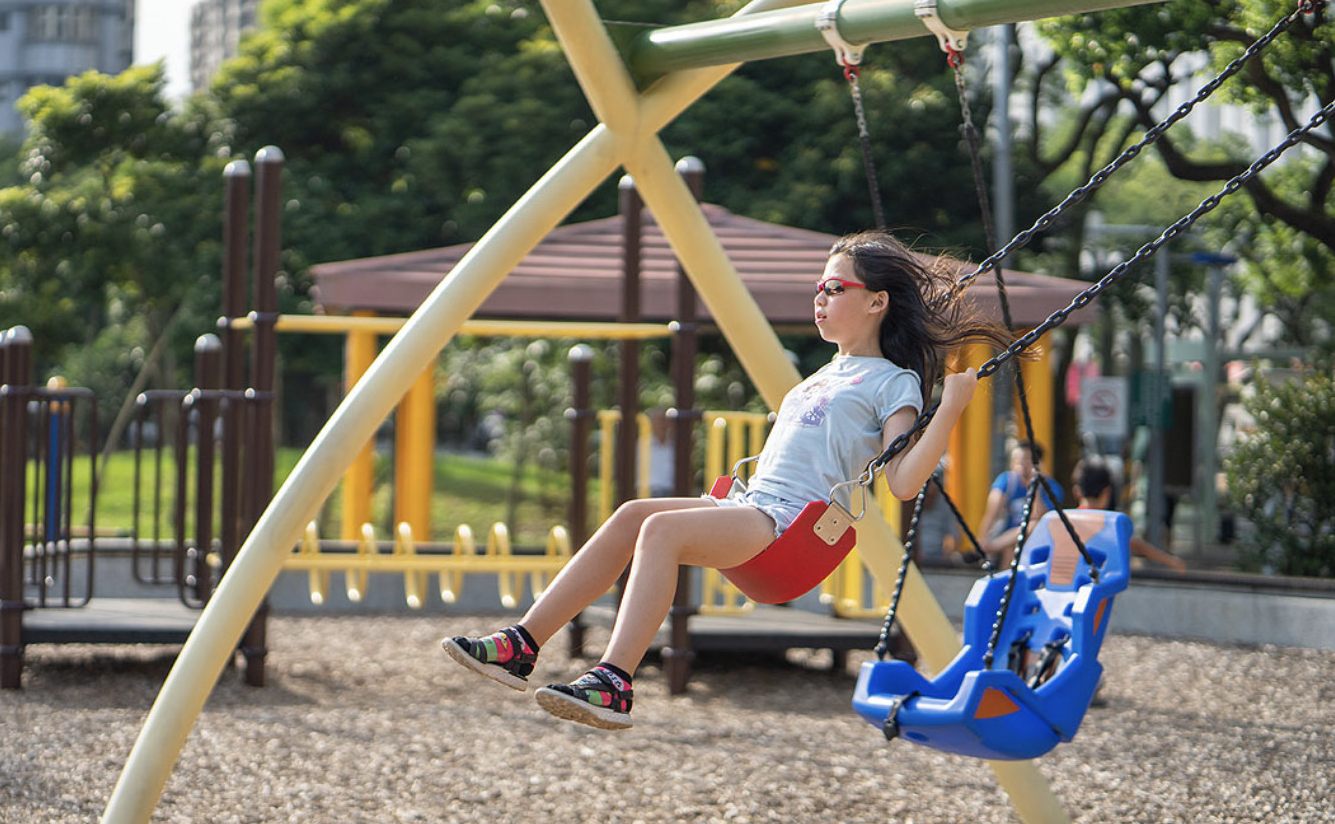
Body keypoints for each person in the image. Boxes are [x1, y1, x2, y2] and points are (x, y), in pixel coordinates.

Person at [441, 232, 1016, 730]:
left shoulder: (893, 383)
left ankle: (615, 679)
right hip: (753, 506)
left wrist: (951, 408)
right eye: (819, 287)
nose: (820, 297)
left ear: (877, 303)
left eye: (835, 288)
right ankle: (522, 645)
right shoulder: (824, 374)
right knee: (634, 514)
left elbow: (904, 483)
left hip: (788, 529)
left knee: (660, 532)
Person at [1072, 458, 1187, 572]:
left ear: (1077, 492)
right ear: (1107, 492)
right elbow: (1137, 546)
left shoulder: (1067, 521)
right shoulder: (1109, 524)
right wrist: (1172, 561)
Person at [977, 439, 1063, 568]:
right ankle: (1005, 581)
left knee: (1034, 525)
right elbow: (991, 514)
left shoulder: (1052, 488)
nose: (1020, 465)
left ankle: (994, 547)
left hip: (1036, 540)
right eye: (1016, 461)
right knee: (1011, 547)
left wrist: (1036, 487)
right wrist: (981, 540)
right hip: (1007, 539)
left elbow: (1041, 520)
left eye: (1025, 460)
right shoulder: (1006, 481)